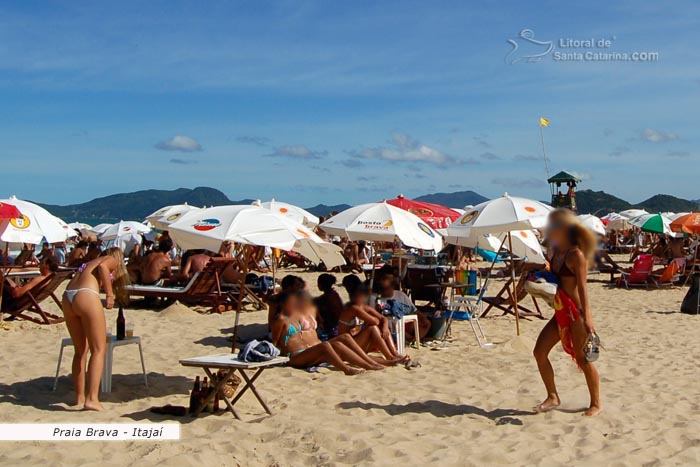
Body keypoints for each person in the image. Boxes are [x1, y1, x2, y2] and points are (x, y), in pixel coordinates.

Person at [533, 209, 602, 417]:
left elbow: (583, 289)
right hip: (560, 312)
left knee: (583, 359)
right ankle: (553, 396)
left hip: (576, 314)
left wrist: (588, 319)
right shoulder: (554, 252)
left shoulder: (576, 255)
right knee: (539, 352)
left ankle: (596, 403)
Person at [61, 247, 130, 411]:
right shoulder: (111, 260)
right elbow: (103, 268)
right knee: (99, 349)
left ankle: (79, 397)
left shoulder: (88, 263)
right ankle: (92, 398)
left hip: (68, 296)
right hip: (86, 295)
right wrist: (109, 293)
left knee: (80, 351)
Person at [271, 291, 386, 374]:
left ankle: (369, 362)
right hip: (296, 356)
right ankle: (348, 369)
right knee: (326, 345)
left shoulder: (298, 315)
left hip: (312, 350)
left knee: (344, 337)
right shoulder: (280, 320)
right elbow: (275, 343)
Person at [339, 283, 407, 363]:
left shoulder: (363, 307)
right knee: (373, 327)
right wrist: (379, 322)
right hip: (347, 346)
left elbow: (383, 318)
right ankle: (389, 356)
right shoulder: (353, 308)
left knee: (382, 325)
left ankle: (394, 354)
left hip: (355, 341)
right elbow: (375, 321)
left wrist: (385, 327)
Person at [370, 267, 431, 340]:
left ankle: (414, 339)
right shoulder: (376, 298)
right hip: (390, 325)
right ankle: (412, 339)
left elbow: (414, 310)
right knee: (395, 325)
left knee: (427, 323)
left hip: (405, 323)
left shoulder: (401, 295)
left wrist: (423, 318)